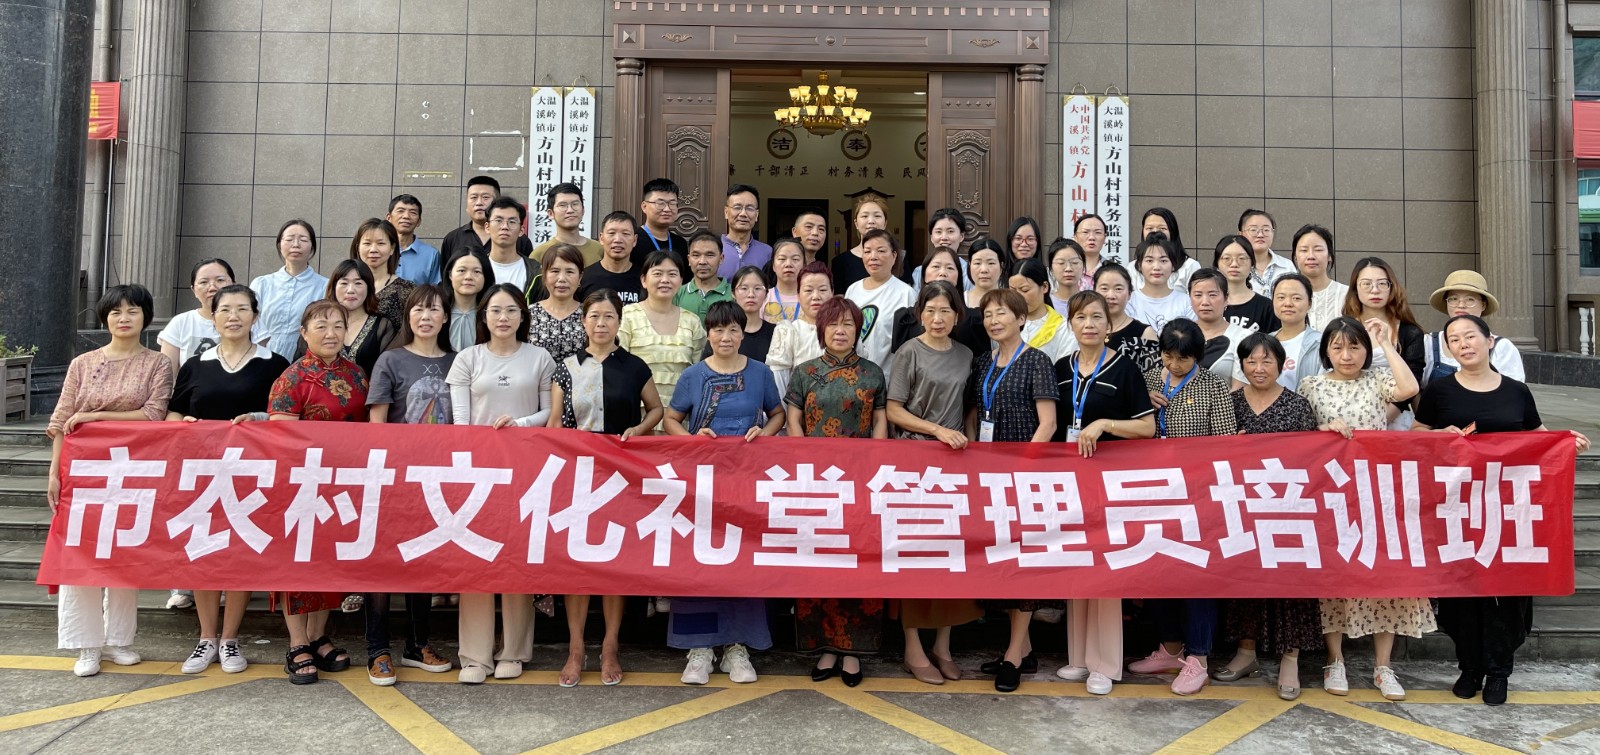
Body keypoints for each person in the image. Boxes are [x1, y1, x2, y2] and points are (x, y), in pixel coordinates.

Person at [1412, 314, 1590, 706]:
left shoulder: (1516, 391)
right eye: (1454, 339)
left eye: (1470, 336)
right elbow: (1417, 436)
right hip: (1459, 509)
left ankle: (1498, 671)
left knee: (1506, 591)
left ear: (1490, 341)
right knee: (1462, 591)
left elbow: (1538, 439)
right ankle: (1469, 667)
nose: (1463, 344)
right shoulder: (1440, 391)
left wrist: (1565, 443)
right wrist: (1440, 434)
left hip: (1509, 509)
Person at [1297, 316, 1429, 701]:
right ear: (1326, 351)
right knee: (1334, 580)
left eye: (1354, 346)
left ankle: (1383, 667)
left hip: (1376, 492)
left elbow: (1409, 388)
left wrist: (1385, 342)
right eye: (1337, 347)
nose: (1346, 355)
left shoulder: (1376, 380)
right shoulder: (1311, 386)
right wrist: (1320, 432)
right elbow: (1299, 437)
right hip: (1331, 495)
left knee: (1384, 576)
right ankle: (1334, 660)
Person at [48, 284, 173, 677]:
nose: (124, 318)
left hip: (132, 469)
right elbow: (61, 420)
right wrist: (54, 472)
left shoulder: (157, 363)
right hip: (82, 471)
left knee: (123, 554)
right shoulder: (82, 363)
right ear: (105, 318)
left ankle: (119, 639)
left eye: (133, 310)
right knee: (80, 554)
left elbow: (154, 413)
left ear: (146, 317)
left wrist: (96, 416)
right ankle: (86, 644)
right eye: (116, 311)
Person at [167, 284, 288, 675]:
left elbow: (285, 418)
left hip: (252, 478)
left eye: (242, 309)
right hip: (202, 475)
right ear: (213, 317)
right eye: (225, 310)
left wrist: (259, 420)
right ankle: (206, 637)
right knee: (203, 553)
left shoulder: (275, 364)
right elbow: (173, 413)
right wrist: (184, 424)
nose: (233, 316)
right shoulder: (195, 365)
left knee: (240, 554)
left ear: (255, 316)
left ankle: (231, 638)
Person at [548, 289, 665, 687]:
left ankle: (611, 645)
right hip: (577, 475)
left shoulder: (633, 366)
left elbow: (656, 409)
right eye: (594, 316)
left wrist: (639, 429)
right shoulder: (566, 366)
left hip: (620, 476)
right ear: (583, 321)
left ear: (619, 322)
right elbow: (555, 423)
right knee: (577, 564)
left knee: (614, 560)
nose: (601, 323)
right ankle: (576, 647)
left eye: (609, 316)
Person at [663, 300, 784, 685]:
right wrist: (692, 440)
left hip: (746, 482)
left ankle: (737, 646)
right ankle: (699, 648)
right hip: (700, 484)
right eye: (718, 330)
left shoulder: (761, 373)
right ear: (708, 334)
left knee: (743, 560)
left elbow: (777, 414)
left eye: (733, 329)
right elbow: (670, 419)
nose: (726, 337)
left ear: (743, 333)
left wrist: (764, 433)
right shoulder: (693, 375)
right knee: (698, 561)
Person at [446, 283, 556, 684]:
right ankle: (475, 655)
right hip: (478, 470)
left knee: (515, 558)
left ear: (522, 315)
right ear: (484, 317)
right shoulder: (468, 358)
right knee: (475, 557)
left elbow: (549, 412)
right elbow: (460, 421)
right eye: (495, 310)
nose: (503, 317)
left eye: (511, 310)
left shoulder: (540, 357)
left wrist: (519, 424)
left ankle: (513, 650)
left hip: (526, 469)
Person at [1050, 290, 1156, 696]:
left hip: (1110, 482)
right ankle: (1079, 657)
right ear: (1071, 324)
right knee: (1077, 563)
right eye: (1081, 318)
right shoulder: (1061, 367)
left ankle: (1105, 663)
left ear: (1109, 325)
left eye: (1097, 317)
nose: (1089, 324)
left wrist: (1104, 425)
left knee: (1106, 569)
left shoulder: (1125, 368)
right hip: (1069, 481)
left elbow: (1146, 427)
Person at [1129, 318, 1238, 696]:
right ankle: (1170, 648)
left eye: (1183, 359)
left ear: (1198, 356)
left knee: (1196, 575)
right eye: (1168, 356)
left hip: (1196, 496)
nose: (1174, 365)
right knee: (1157, 570)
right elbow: (1129, 427)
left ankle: (1199, 658)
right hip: (1151, 493)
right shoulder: (1146, 378)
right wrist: (1143, 406)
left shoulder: (1212, 386)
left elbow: (1225, 443)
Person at [786, 296, 889, 687]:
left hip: (860, 481)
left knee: (859, 561)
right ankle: (826, 647)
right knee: (820, 562)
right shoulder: (805, 373)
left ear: (858, 330)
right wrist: (806, 464)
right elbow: (794, 420)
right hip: (817, 482)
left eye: (848, 324)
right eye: (833, 324)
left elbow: (880, 421)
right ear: (821, 330)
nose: (841, 331)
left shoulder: (872, 373)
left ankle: (853, 652)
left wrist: (875, 467)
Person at [1213, 333, 1322, 701]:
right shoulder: (1229, 404)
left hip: (1288, 511)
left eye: (1267, 361)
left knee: (1292, 585)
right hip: (1243, 511)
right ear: (1241, 364)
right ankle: (1246, 654)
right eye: (1251, 361)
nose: (1259, 368)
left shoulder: (1298, 406)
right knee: (1245, 582)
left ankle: (1291, 659)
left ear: (1281, 364)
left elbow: (1311, 458)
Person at [885, 281, 983, 685]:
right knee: (913, 556)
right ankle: (912, 648)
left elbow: (968, 408)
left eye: (945, 311)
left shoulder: (966, 354)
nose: (937, 318)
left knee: (951, 559)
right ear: (919, 314)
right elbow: (893, 410)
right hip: (913, 461)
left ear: (957, 315)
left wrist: (972, 447)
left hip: (955, 464)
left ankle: (943, 646)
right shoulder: (908, 352)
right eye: (930, 310)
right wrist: (936, 430)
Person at [268, 299, 370, 685]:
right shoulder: (291, 378)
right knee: (297, 563)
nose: (331, 333)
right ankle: (297, 642)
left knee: (331, 561)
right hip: (302, 484)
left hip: (344, 482)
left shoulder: (358, 375)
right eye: (321, 326)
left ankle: (318, 635)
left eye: (338, 326)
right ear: (304, 332)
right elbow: (280, 437)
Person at [964, 288, 1059, 693]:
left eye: (1002, 313)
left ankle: (1013, 657)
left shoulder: (1037, 360)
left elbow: (1048, 424)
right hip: (989, 476)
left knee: (1023, 564)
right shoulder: (982, 362)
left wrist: (1021, 471)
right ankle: (1025, 649)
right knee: (1001, 561)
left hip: (1023, 477)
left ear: (1021, 319)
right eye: (988, 315)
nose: (994, 321)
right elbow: (973, 415)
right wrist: (976, 459)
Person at [362, 285, 457, 686]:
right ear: (408, 316)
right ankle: (377, 649)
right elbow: (378, 424)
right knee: (383, 565)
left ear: (446, 317)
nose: (426, 317)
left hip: (438, 480)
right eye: (418, 310)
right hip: (395, 478)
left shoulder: (458, 361)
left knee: (424, 562)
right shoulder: (391, 360)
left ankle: (417, 645)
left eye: (434, 310)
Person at [619, 250, 707, 416]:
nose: (665, 280)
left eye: (672, 274)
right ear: (644, 280)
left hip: (679, 416)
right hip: (636, 415)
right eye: (658, 274)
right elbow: (618, 368)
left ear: (681, 281)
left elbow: (699, 372)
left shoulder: (692, 322)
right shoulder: (627, 316)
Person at [1342, 257, 1425, 428]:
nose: (1375, 290)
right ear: (1355, 289)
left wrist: (1380, 421)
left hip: (1396, 418)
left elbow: (1412, 383)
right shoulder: (1344, 328)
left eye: (1382, 284)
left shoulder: (1409, 332)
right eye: (1366, 284)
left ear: (1391, 288)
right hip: (1349, 415)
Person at [1422, 270, 1526, 388]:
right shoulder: (1429, 343)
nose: (1461, 305)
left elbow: (1513, 392)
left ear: (1483, 305)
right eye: (1454, 299)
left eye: (1470, 299)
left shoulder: (1502, 348)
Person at [300, 260, 396, 377]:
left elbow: (388, 370)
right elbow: (300, 363)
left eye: (358, 283)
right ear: (334, 287)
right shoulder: (315, 321)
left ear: (369, 288)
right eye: (344, 283)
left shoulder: (383, 326)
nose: (350, 290)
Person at [253, 219, 329, 360]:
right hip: (262, 357)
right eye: (289, 239)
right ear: (279, 245)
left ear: (312, 247)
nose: (296, 245)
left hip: (305, 359)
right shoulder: (261, 284)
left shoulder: (325, 286)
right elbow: (250, 322)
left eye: (303, 240)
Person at [845, 229, 917, 377]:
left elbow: (913, 343)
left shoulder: (906, 294)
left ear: (894, 256)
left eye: (881, 251)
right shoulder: (852, 290)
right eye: (867, 251)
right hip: (852, 377)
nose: (873, 257)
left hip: (889, 378)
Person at [892, 247, 984, 357]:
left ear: (958, 276)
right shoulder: (906, 319)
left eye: (950, 268)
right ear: (924, 273)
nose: (943, 273)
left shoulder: (974, 320)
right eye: (936, 266)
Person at [159, 258, 246, 372]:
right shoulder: (181, 322)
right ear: (193, 289)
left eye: (220, 280)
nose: (212, 288)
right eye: (203, 282)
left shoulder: (249, 320)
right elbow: (167, 374)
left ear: (234, 284)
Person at [766, 261, 833, 398]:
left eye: (822, 290)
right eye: (808, 290)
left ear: (833, 292)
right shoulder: (788, 331)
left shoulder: (845, 331)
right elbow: (780, 382)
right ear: (798, 295)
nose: (816, 296)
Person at [440, 175, 534, 261]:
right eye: (473, 197)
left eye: (485, 197)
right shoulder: (452, 239)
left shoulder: (520, 239)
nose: (479, 203)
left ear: (497, 202)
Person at [348, 217, 416, 331]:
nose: (373, 249)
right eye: (367, 243)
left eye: (380, 243)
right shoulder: (344, 286)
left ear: (392, 248)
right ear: (358, 247)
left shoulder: (407, 290)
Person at [1187, 268, 1252, 385]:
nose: (1205, 302)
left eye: (1212, 295)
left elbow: (1240, 388)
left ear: (1226, 298)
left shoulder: (1242, 337)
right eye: (1198, 295)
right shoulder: (1180, 332)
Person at [1009, 257, 1078, 364]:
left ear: (1045, 287)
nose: (1018, 297)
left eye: (1025, 290)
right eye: (1012, 290)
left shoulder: (1063, 329)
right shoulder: (1004, 323)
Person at [1094, 263, 1160, 372]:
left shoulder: (1144, 333)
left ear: (1129, 294)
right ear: (1094, 291)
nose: (1111, 296)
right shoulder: (1086, 329)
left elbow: (1154, 377)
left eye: (1118, 289)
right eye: (1104, 288)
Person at [527, 243, 587, 363]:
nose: (562, 279)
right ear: (544, 275)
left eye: (570, 272)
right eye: (555, 271)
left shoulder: (589, 314)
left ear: (580, 277)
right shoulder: (529, 313)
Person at [1262, 273, 1322, 390]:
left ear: (1309, 303)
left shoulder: (1320, 343)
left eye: (1296, 298)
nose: (1288, 303)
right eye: (1281, 297)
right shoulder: (1264, 343)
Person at [1125, 234, 1194, 333]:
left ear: (1173, 265)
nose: (1156, 267)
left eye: (1163, 260)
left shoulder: (1187, 302)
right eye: (1149, 260)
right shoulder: (1128, 302)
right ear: (1139, 265)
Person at [706, 266, 776, 361]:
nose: (751, 294)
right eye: (744, 288)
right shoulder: (720, 332)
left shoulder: (776, 333)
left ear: (766, 294)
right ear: (733, 293)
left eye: (757, 288)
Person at [1214, 235, 1279, 332]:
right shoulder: (1209, 303)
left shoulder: (1266, 307)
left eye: (1242, 258)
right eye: (1227, 259)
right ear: (1217, 264)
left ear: (1252, 264)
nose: (1234, 264)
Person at [578, 211, 645, 305]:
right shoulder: (584, 278)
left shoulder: (644, 279)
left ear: (635, 240)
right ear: (601, 238)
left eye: (625, 234)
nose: (618, 240)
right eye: (612, 233)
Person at [484, 196, 544, 300]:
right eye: (498, 220)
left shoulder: (537, 272)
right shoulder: (476, 268)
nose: (505, 227)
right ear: (487, 227)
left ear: (521, 230)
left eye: (512, 222)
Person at [532, 182, 604, 267]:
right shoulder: (540, 254)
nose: (570, 210)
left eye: (575, 204)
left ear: (583, 210)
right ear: (551, 213)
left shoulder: (599, 249)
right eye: (562, 205)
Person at [831, 193, 890, 291]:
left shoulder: (899, 258)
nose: (871, 221)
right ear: (856, 224)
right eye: (865, 216)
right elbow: (839, 298)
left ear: (885, 223)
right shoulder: (841, 262)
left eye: (877, 216)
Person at [1291, 224, 1345, 331]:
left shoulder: (1346, 295)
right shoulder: (1284, 297)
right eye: (1304, 250)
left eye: (1318, 250)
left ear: (1330, 256)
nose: (1311, 256)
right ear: (1295, 257)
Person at [674, 230, 733, 322]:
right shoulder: (677, 294)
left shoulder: (734, 294)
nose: (702, 262)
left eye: (710, 255)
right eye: (696, 255)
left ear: (721, 259)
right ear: (689, 260)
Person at [632, 177, 689, 268]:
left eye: (672, 203)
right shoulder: (633, 241)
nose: (667, 209)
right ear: (644, 207)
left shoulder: (680, 243)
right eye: (660, 203)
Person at [445, 249, 494, 352]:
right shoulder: (438, 312)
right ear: (450, 275)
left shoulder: (492, 315)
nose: (468, 277)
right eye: (462, 271)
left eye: (477, 272)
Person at [720, 184, 772, 278]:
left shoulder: (767, 252)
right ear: (726, 212)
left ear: (756, 215)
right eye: (737, 207)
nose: (743, 214)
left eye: (750, 208)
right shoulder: (715, 249)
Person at [1139, 208, 1200, 289]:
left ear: (1172, 231)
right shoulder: (1132, 267)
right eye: (1150, 228)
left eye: (1162, 228)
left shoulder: (1189, 266)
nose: (1155, 232)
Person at [388, 193, 441, 285]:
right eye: (400, 211)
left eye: (413, 213)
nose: (406, 216)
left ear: (419, 221)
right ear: (389, 218)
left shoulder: (431, 254)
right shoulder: (379, 250)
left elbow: (434, 290)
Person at [912, 208, 971, 289]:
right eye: (938, 232)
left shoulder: (970, 272)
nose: (944, 237)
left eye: (950, 231)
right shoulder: (919, 272)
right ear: (931, 237)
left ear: (961, 236)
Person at [1240, 208, 1295, 295]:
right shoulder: (1235, 266)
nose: (1260, 235)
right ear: (1240, 234)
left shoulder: (1286, 266)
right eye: (1253, 230)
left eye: (1266, 230)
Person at [762, 237, 807, 324]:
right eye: (782, 259)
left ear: (804, 265)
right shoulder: (763, 297)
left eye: (795, 259)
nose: (788, 264)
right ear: (773, 266)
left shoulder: (811, 298)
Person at [1047, 238, 1086, 315]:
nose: (1068, 269)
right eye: (1061, 263)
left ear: (1083, 266)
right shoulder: (1045, 304)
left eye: (1075, 262)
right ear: (1051, 268)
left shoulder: (1092, 302)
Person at [1074, 213, 1111, 288]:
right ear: (1075, 237)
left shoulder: (1112, 270)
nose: (1091, 237)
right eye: (1085, 232)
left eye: (1098, 232)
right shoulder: (1066, 269)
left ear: (1104, 238)